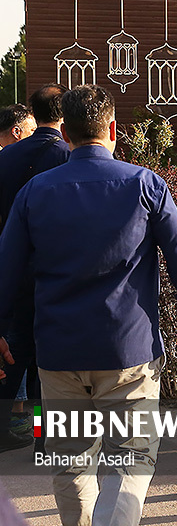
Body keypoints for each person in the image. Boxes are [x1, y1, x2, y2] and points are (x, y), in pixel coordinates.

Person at [0, 84, 177, 526]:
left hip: (57, 351)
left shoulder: (35, 191)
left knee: (68, 460)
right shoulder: (145, 184)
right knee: (131, 458)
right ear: (113, 129)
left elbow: (6, 270)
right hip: (127, 348)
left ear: (65, 135)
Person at [0, 83, 70, 454]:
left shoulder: (6, 156)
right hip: (51, 272)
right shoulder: (65, 155)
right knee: (49, 362)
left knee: (12, 351)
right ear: (64, 113)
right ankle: (46, 436)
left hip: (12, 267)